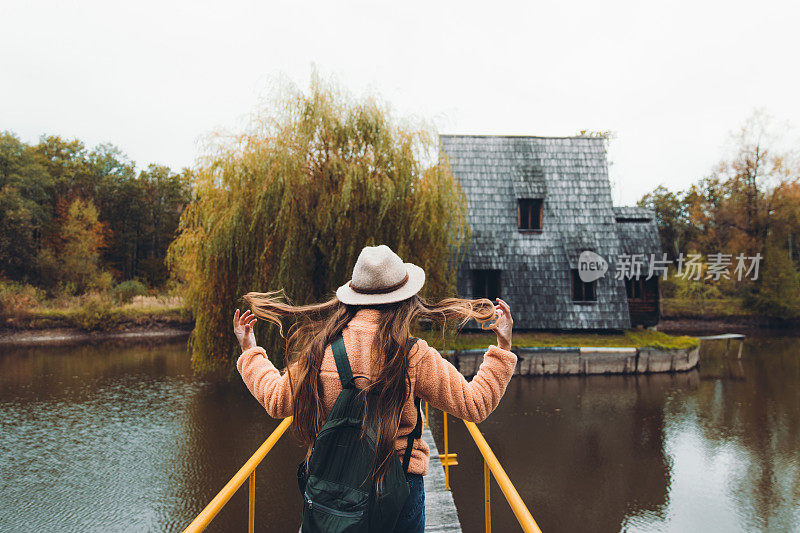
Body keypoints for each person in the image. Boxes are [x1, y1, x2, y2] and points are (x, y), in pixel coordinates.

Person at [233, 244, 516, 532]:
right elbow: (475, 404)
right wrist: (502, 348)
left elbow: (275, 400)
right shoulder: (414, 354)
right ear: (404, 299)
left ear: (353, 297)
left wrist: (250, 350)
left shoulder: (320, 349)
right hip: (399, 486)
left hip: (334, 484)